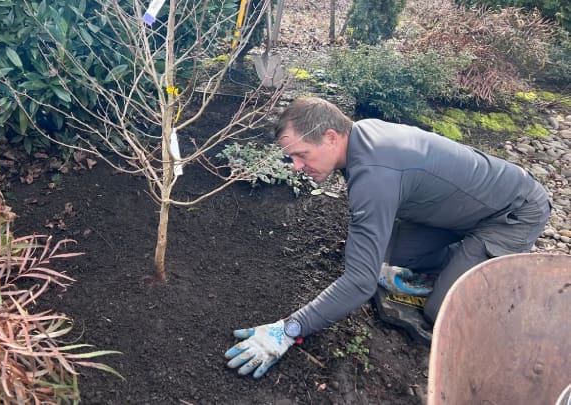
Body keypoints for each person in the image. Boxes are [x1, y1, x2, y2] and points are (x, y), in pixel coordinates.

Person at [224, 96, 552, 379]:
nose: (296, 166)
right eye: (292, 158)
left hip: (511, 214)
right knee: (390, 250)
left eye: (302, 155)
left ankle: (488, 271)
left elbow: (359, 283)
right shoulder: (361, 136)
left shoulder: (374, 175)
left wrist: (288, 329)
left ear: (330, 137)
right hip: (462, 211)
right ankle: (464, 258)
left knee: (442, 313)